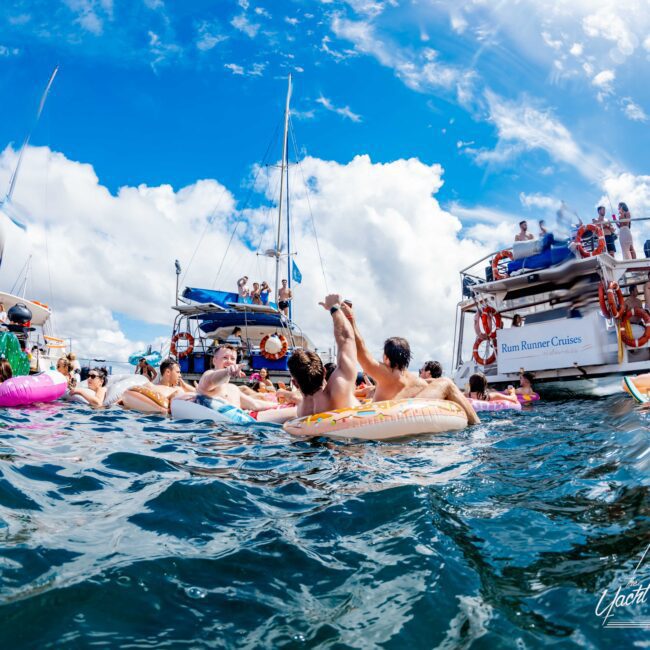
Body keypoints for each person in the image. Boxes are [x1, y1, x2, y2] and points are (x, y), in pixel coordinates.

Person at [341, 302, 479, 425]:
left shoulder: (386, 374)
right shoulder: (418, 382)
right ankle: (477, 424)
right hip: (415, 419)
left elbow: (361, 351)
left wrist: (350, 319)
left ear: (386, 358)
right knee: (447, 383)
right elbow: (433, 384)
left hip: (389, 425)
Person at [287, 294, 358, 417]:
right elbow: (346, 339)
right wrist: (334, 307)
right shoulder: (338, 391)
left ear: (294, 383)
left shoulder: (302, 410)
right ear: (324, 371)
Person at [197, 344, 286, 420]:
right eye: (225, 358)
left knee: (291, 412)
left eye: (232, 359)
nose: (229, 362)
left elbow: (255, 404)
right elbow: (211, 380)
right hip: (215, 432)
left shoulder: (233, 389)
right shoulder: (208, 375)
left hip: (237, 431)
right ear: (214, 360)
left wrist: (279, 405)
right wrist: (227, 371)